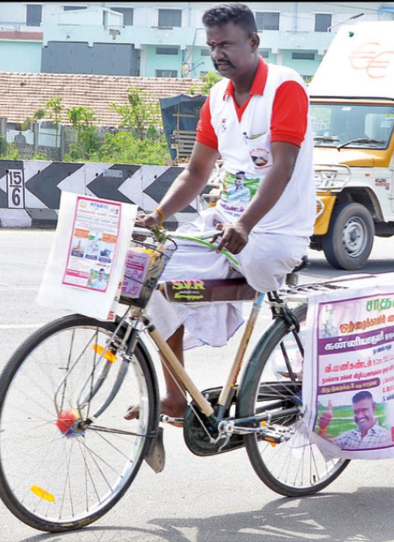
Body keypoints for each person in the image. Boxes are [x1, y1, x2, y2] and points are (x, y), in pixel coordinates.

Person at [125, 3, 315, 423]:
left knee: (257, 268)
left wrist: (246, 224)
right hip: (221, 226)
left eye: (226, 44)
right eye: (212, 46)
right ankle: (174, 397)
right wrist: (156, 216)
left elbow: (282, 166)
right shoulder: (217, 97)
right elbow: (196, 172)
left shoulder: (285, 87)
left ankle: (291, 360)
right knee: (151, 274)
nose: (217, 54)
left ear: (253, 41)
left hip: (274, 230)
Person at [316, 391, 392, 449]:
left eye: (364, 410)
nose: (359, 416)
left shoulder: (385, 437)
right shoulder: (349, 435)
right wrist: (323, 428)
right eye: (356, 412)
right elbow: (327, 447)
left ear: (373, 408)